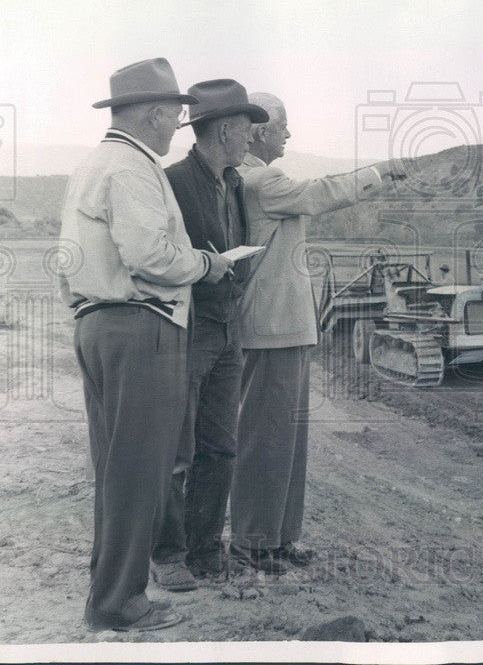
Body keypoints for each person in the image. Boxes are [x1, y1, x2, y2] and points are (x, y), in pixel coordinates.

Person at [58, 58, 232, 631]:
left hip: (98, 323)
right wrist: (207, 264)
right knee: (140, 471)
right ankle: (117, 603)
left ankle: (108, 586)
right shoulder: (132, 169)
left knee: (114, 467)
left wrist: (90, 311)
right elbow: (151, 256)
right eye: (176, 114)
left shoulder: (93, 165)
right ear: (156, 113)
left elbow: (69, 264)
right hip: (141, 327)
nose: (178, 124)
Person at [228, 92, 404, 572]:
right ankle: (252, 541)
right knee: (266, 436)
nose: (289, 135)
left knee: (284, 438)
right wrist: (377, 173)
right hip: (272, 328)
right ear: (261, 132)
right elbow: (321, 193)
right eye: (284, 127)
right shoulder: (261, 178)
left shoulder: (248, 177)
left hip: (282, 328)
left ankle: (278, 537)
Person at [150, 80, 269, 591]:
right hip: (188, 328)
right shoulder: (172, 181)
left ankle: (202, 551)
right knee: (177, 447)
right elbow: (158, 257)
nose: (251, 140)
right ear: (224, 130)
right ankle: (167, 555)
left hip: (226, 328)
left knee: (219, 446)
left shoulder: (235, 182)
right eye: (246, 131)